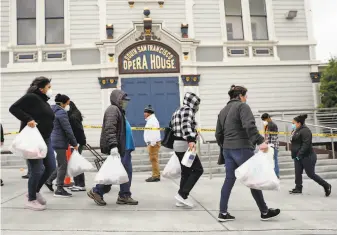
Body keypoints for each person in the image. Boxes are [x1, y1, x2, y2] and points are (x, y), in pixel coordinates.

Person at [215, 85, 280, 222]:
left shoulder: (222, 111)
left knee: (229, 180)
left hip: (227, 149)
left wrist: (225, 145)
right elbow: (249, 125)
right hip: (242, 147)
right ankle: (264, 211)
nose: (246, 98)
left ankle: (223, 212)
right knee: (253, 178)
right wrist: (260, 141)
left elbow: (218, 134)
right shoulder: (242, 107)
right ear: (240, 96)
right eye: (245, 96)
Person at [9, 76, 56, 211]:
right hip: (33, 140)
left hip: (46, 139)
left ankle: (34, 192)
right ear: (41, 89)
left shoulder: (43, 100)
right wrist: (28, 119)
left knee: (51, 166)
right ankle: (30, 199)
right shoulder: (31, 97)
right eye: (49, 87)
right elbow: (13, 108)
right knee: (37, 170)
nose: (50, 90)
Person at [87, 90, 138, 206]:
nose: (126, 103)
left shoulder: (120, 111)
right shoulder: (113, 110)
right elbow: (110, 129)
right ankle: (97, 191)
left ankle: (124, 195)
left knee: (124, 173)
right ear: (118, 99)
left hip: (125, 149)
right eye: (124, 100)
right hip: (119, 149)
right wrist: (113, 146)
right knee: (113, 173)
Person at [171, 92, 203, 208]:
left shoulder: (177, 111)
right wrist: (191, 140)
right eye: (196, 104)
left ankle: (181, 199)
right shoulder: (187, 110)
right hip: (185, 145)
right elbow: (186, 125)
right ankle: (182, 194)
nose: (197, 107)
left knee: (186, 172)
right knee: (198, 170)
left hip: (177, 145)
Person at [289, 114, 331, 196]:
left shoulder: (306, 131)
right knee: (297, 172)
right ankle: (298, 188)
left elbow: (306, 144)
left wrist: (299, 154)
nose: (292, 124)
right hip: (298, 156)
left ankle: (326, 185)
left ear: (299, 123)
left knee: (311, 174)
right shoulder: (296, 130)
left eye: (293, 123)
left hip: (307, 156)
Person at [45, 94, 78, 198]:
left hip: (53, 140)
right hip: (59, 142)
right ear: (63, 103)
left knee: (61, 164)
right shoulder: (61, 113)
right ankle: (59, 189)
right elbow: (67, 129)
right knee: (63, 165)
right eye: (68, 102)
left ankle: (49, 180)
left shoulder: (51, 110)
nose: (68, 104)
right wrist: (74, 143)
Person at [68, 101, 87, 192]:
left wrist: (78, 143)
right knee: (75, 162)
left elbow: (79, 130)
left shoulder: (73, 117)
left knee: (77, 163)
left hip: (77, 143)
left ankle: (81, 184)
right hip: (77, 142)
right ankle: (77, 183)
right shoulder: (74, 115)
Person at [143, 105, 161, 182]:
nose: (144, 113)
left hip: (153, 143)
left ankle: (155, 176)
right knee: (154, 160)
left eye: (145, 112)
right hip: (152, 143)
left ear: (149, 113)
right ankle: (156, 174)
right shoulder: (151, 120)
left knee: (154, 160)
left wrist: (152, 143)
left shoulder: (152, 120)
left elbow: (154, 132)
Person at [261, 113, 280, 178]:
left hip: (273, 146)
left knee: (274, 160)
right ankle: (274, 174)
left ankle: (276, 175)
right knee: (272, 160)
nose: (264, 121)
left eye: (264, 120)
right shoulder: (268, 125)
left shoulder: (272, 125)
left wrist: (269, 146)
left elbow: (273, 138)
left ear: (268, 118)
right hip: (272, 145)